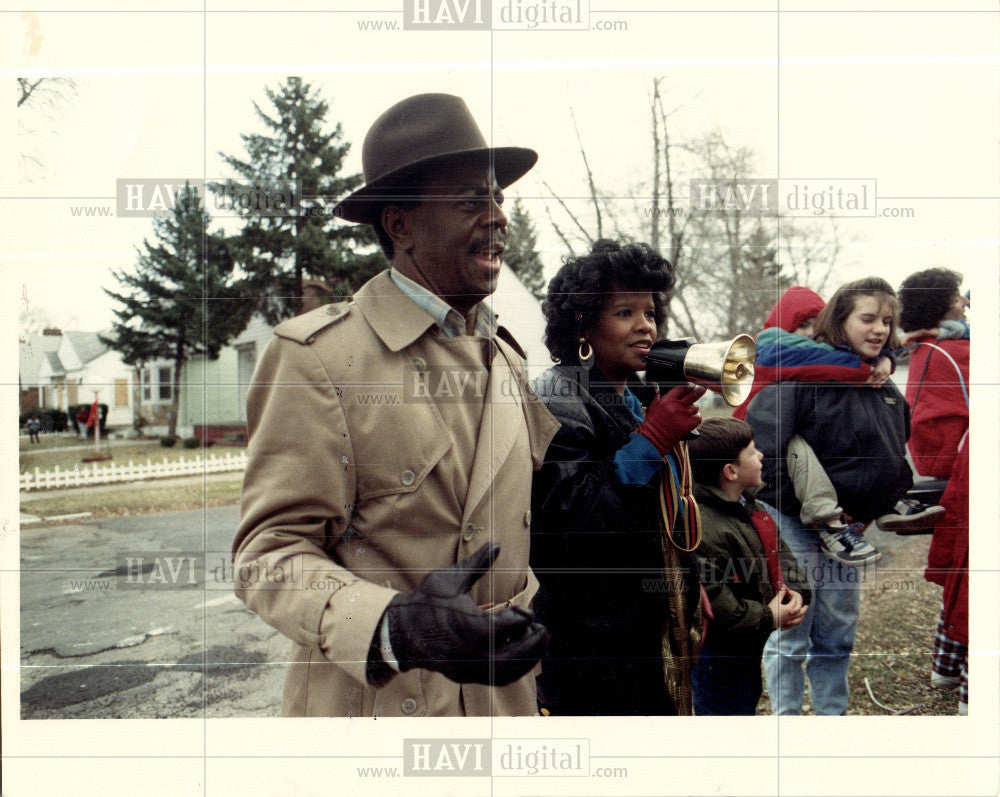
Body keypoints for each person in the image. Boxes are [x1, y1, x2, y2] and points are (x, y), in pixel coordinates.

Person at [233, 93, 560, 717]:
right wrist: (396, 628)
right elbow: (268, 554)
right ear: (400, 225)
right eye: (470, 200)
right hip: (378, 716)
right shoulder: (320, 359)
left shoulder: (507, 359)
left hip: (503, 707)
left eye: (498, 198)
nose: (497, 218)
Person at [529, 238, 707, 715]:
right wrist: (651, 441)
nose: (645, 326)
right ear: (583, 323)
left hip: (647, 620)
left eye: (650, 312)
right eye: (624, 313)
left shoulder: (635, 395)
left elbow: (666, 509)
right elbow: (573, 521)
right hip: (589, 637)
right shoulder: (558, 394)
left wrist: (689, 585)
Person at [745, 276, 914, 715]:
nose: (879, 329)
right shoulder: (803, 379)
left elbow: (894, 452)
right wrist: (807, 515)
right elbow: (765, 456)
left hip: (850, 529)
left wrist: (872, 509)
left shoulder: (882, 385)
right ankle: (785, 721)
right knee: (793, 625)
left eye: (887, 321)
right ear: (839, 320)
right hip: (793, 522)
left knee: (838, 628)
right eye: (868, 318)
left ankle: (831, 719)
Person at [688, 418, 811, 715]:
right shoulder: (703, 527)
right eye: (752, 452)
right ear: (730, 472)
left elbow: (782, 556)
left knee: (744, 703)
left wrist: (795, 595)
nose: (761, 456)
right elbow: (717, 604)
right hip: (718, 656)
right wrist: (768, 616)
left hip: (747, 646)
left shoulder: (750, 508)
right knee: (724, 715)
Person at [899, 267, 970, 714]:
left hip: (946, 464)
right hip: (965, 463)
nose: (965, 302)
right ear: (943, 303)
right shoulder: (959, 350)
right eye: (958, 296)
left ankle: (946, 664)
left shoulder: (927, 348)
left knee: (964, 572)